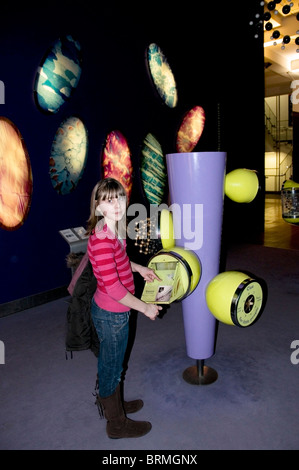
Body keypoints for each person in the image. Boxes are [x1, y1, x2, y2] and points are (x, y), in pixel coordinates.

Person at [86, 177, 162, 439]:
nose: (116, 204)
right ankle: (116, 423)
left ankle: (114, 403)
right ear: (97, 206)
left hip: (114, 312)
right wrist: (145, 308)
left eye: (119, 197)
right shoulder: (102, 239)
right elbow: (115, 289)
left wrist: (139, 268)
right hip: (111, 313)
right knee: (112, 366)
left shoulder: (113, 230)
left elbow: (120, 262)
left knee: (113, 363)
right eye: (108, 200)